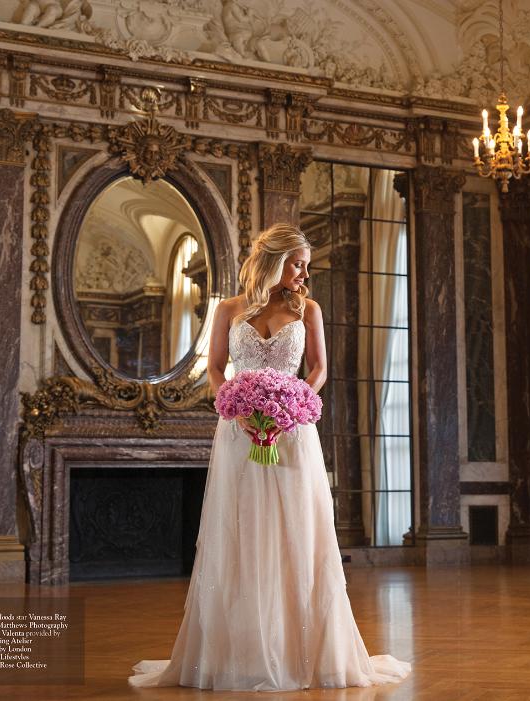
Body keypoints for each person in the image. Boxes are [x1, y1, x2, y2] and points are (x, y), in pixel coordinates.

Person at [128, 223, 412, 691]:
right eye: (298, 264)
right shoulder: (228, 309)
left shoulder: (308, 310)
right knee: (240, 531)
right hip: (238, 434)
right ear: (274, 260)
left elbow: (319, 369)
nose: (304, 273)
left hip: (292, 433)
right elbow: (215, 369)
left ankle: (302, 651)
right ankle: (239, 652)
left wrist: (294, 405)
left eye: (306, 265)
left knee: (296, 530)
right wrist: (236, 409)